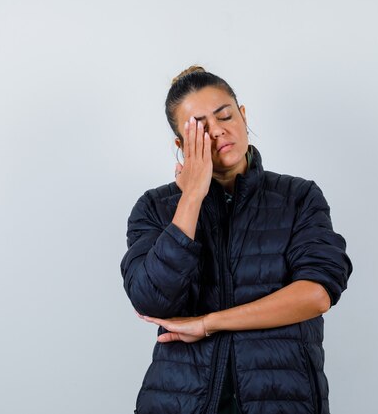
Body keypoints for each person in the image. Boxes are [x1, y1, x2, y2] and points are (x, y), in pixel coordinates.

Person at [120, 66, 353, 414]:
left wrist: (209, 323)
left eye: (225, 115)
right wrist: (191, 200)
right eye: (200, 129)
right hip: (177, 402)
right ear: (182, 146)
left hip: (282, 400)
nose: (218, 132)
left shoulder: (297, 197)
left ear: (242, 115)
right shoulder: (155, 207)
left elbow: (316, 294)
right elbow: (153, 301)